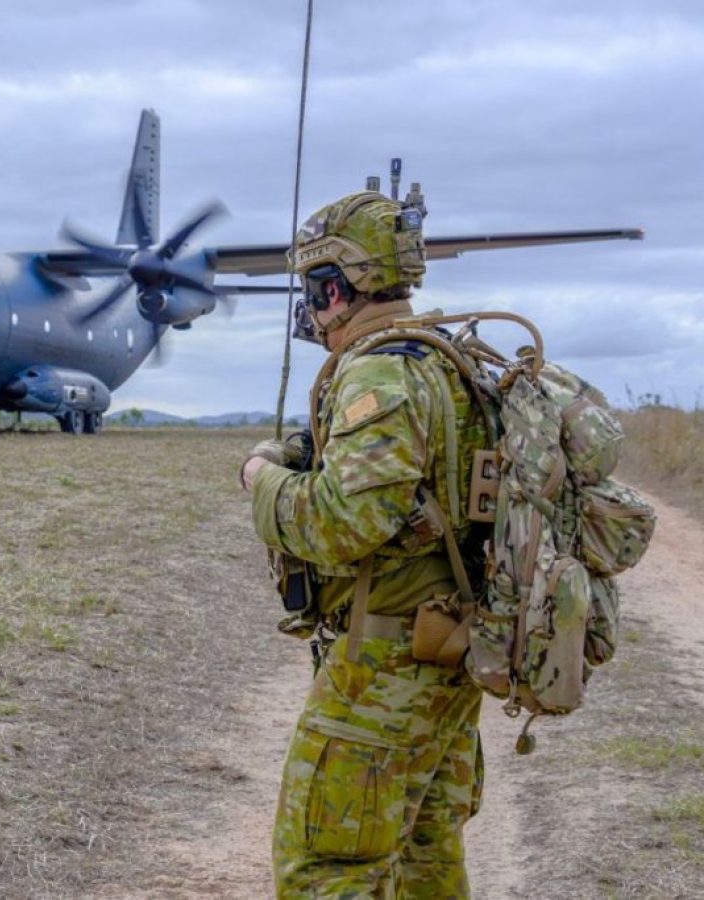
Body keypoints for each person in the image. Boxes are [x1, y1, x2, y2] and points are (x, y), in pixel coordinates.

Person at [241, 190, 489, 898]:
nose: (310, 312)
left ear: (333, 287)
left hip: (383, 664)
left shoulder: (380, 370)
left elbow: (341, 526)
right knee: (423, 858)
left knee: (325, 867)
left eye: (311, 292)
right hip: (446, 655)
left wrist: (261, 481)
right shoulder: (445, 360)